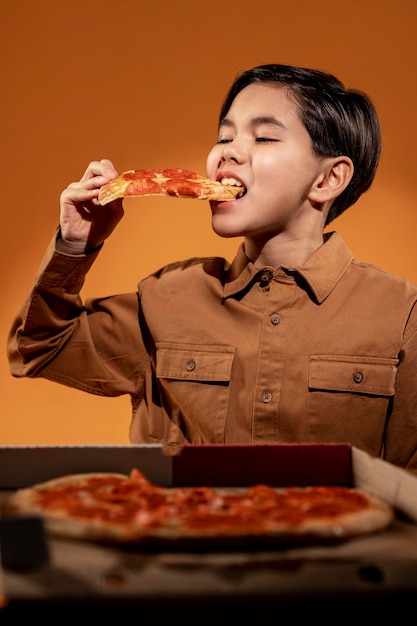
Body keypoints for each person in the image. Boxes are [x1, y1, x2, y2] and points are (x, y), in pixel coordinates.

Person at [7, 64, 417, 473]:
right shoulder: (168, 297)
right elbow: (38, 349)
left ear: (329, 179)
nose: (228, 152)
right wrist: (75, 245)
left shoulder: (400, 314)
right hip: (184, 533)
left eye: (264, 136)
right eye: (224, 136)